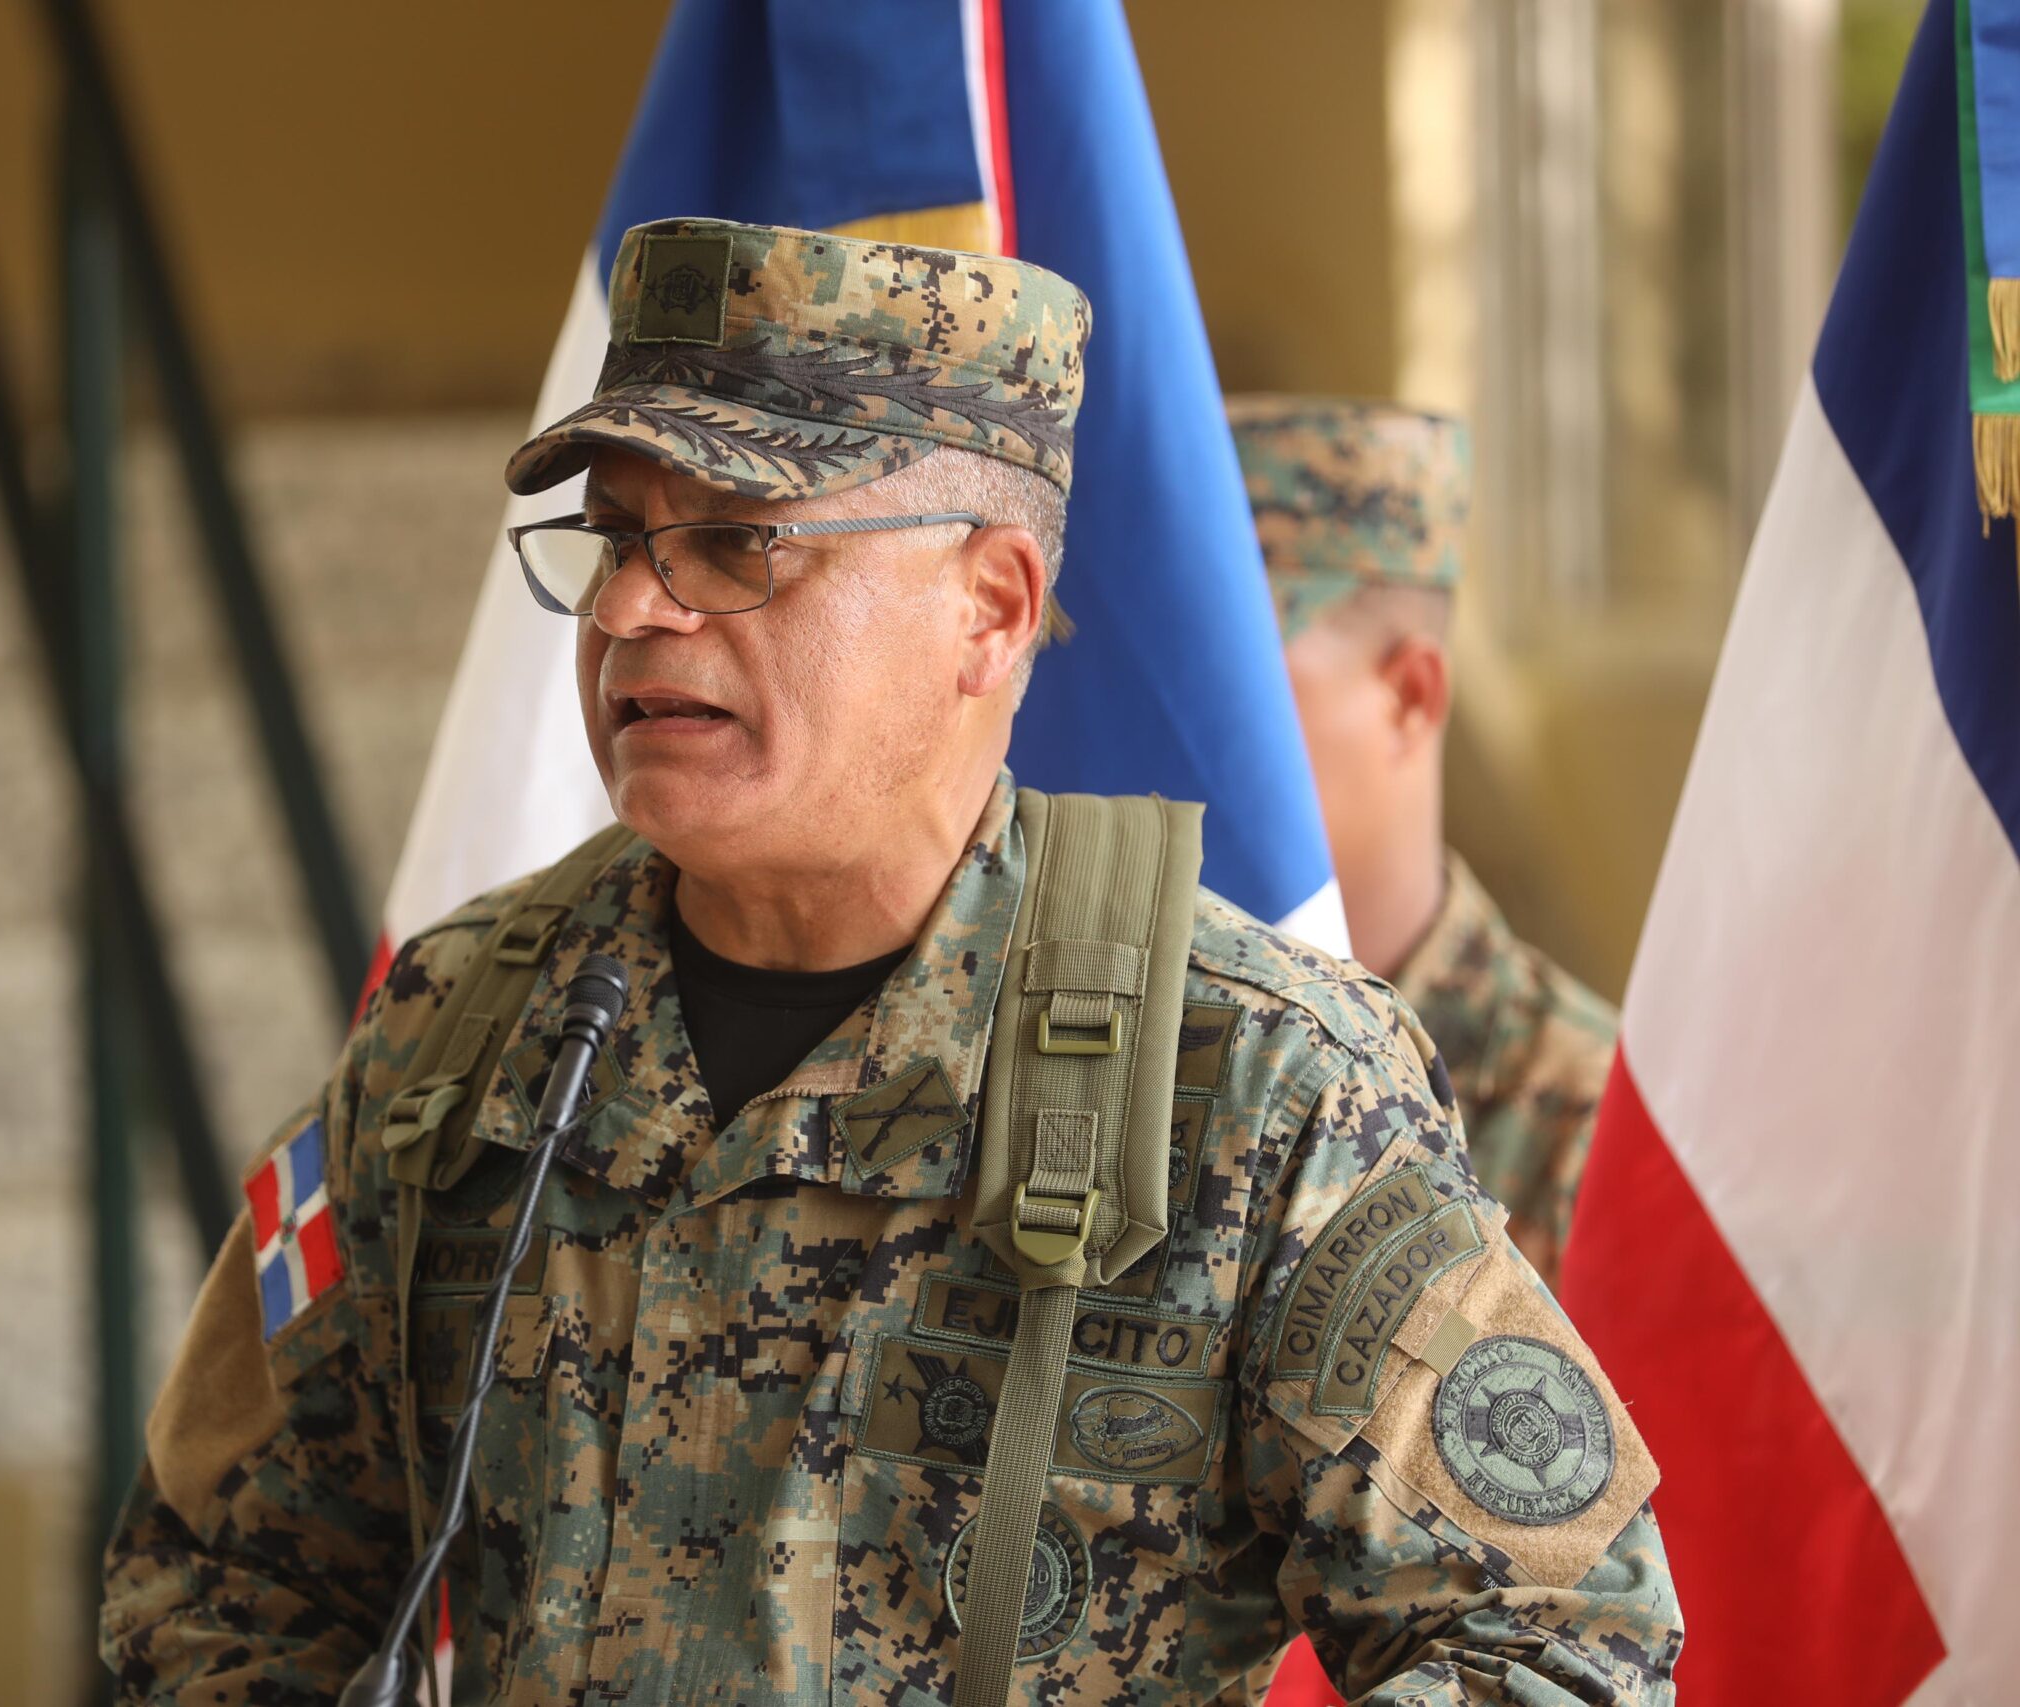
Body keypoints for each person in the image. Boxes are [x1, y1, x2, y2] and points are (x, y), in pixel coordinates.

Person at [100, 220, 1678, 1704]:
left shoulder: (1257, 1081)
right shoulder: (461, 1028)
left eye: (736, 540)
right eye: (619, 536)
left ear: (989, 608)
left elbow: (1558, 1642)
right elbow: (219, 1575)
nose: (634, 604)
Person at [1230, 396, 1620, 1289]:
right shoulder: (1130, 1060)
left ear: (1411, 694)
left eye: (1243, 680)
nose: (1190, 734)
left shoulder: (1588, 1126)